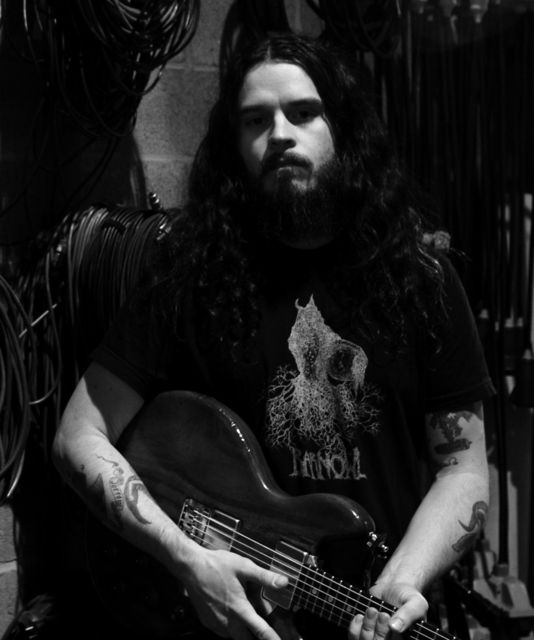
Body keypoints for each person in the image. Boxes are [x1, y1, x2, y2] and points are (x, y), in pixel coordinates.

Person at [52, 33, 494, 640]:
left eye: (303, 113)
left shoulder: (423, 281)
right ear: (234, 144)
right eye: (256, 120)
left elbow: (463, 472)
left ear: (344, 130)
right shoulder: (189, 274)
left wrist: (402, 581)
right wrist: (189, 562)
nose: (280, 134)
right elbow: (79, 435)